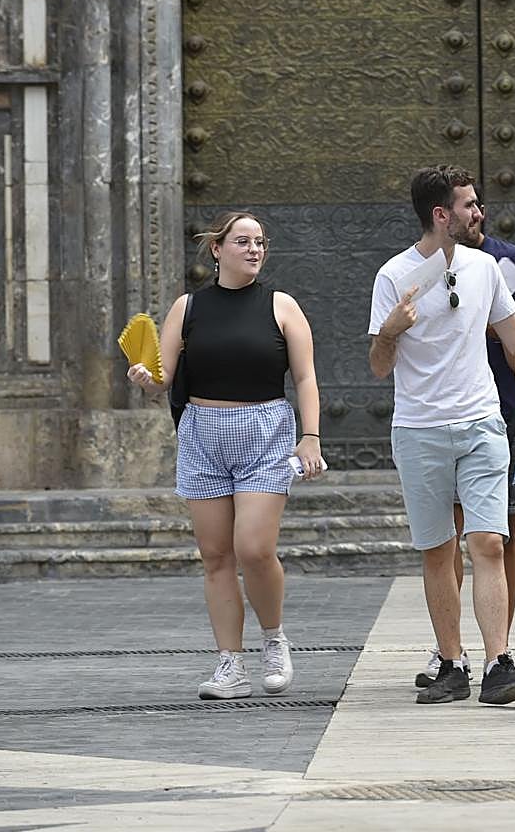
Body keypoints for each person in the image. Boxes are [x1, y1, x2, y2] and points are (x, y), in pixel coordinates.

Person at [127, 211, 324, 700]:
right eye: (243, 241)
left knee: (254, 549)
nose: (254, 249)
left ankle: (274, 639)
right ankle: (229, 664)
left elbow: (305, 378)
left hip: (265, 432)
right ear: (217, 250)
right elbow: (164, 377)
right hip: (203, 433)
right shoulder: (187, 308)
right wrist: (146, 379)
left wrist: (311, 435)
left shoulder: (281, 306)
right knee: (216, 556)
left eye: (260, 242)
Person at [369, 164, 515, 706]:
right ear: (441, 215)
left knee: (490, 540)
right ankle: (452, 661)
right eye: (469, 205)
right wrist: (392, 331)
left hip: (481, 421)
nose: (479, 213)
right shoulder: (393, 276)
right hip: (418, 429)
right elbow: (378, 365)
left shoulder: (485, 266)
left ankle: (499, 663)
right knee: (438, 549)